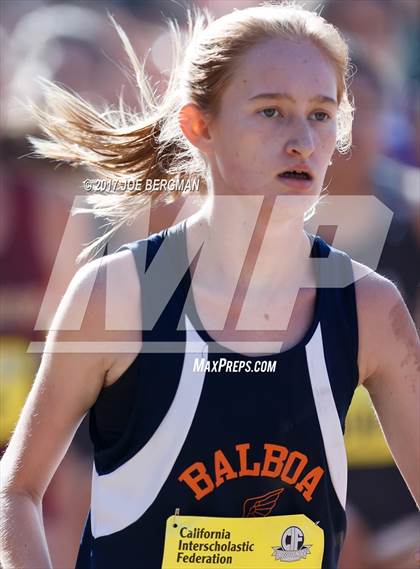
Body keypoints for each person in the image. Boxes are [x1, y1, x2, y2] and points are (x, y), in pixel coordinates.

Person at [1, 3, 419, 569]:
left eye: (321, 115)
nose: (302, 140)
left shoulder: (369, 307)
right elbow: (18, 489)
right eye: (271, 111)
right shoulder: (117, 293)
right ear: (200, 126)